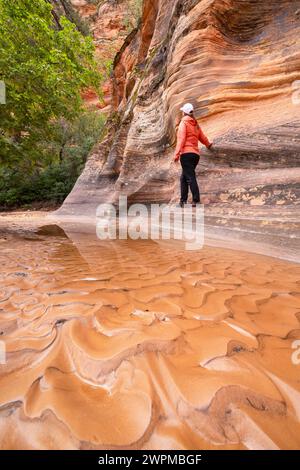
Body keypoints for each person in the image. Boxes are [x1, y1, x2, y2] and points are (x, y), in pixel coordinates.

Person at [173, 103, 213, 207]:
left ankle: (196, 200)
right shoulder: (195, 124)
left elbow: (181, 139)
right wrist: (208, 144)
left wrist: (177, 154)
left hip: (186, 154)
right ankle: (183, 201)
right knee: (184, 178)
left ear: (184, 112)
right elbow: (202, 137)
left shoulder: (184, 123)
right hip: (195, 155)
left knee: (190, 177)